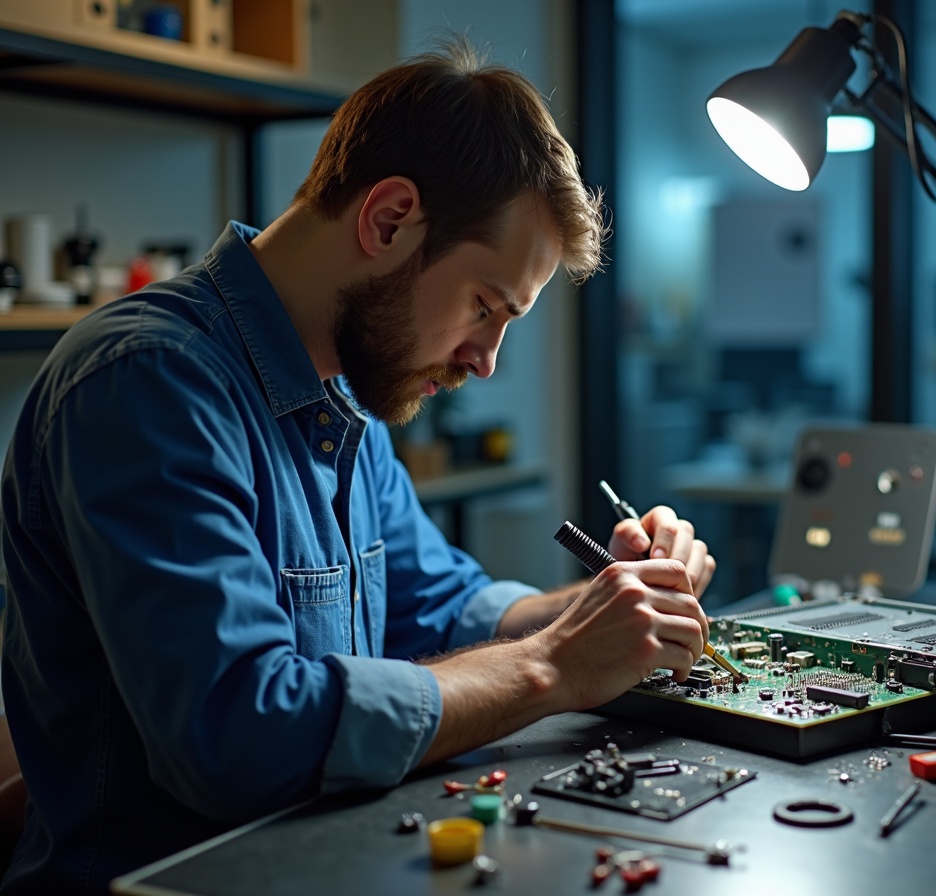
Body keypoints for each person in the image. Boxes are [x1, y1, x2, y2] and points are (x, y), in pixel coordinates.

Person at [0, 35, 715, 895]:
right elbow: (239, 736)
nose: (486, 359)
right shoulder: (149, 383)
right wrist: (555, 664)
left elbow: (436, 604)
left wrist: (613, 601)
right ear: (389, 220)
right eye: (484, 307)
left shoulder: (343, 396)